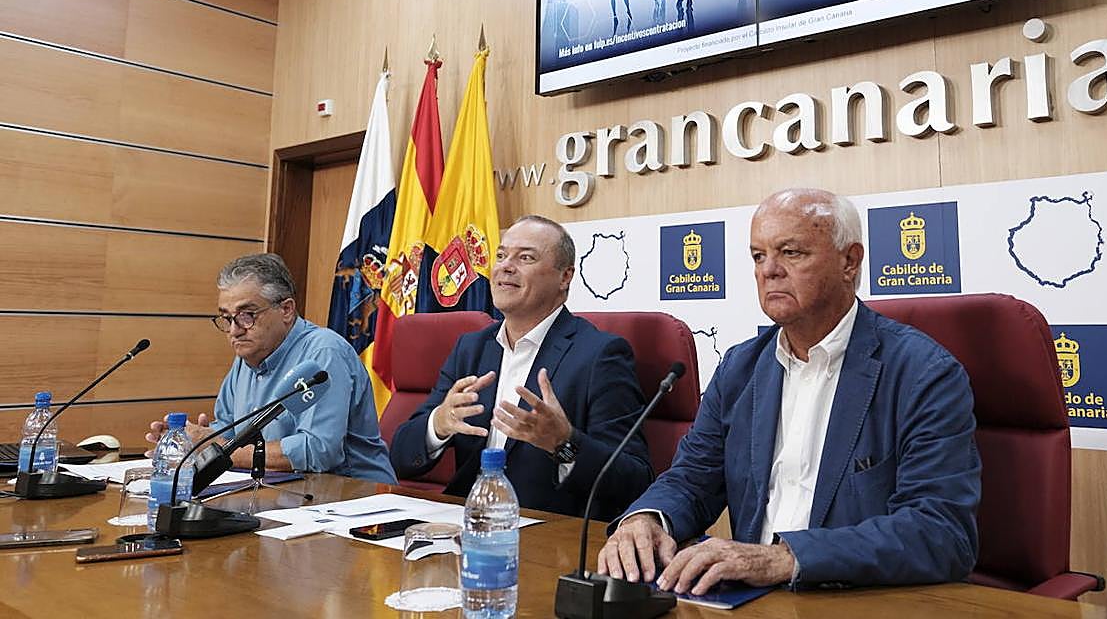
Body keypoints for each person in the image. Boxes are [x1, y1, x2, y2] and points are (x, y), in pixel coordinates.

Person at [598, 188, 980, 594]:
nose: (769, 271)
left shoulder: (923, 373)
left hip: (853, 598)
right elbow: (692, 479)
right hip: (750, 599)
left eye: (791, 253)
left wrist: (787, 557)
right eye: (758, 256)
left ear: (850, 261)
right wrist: (647, 519)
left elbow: (941, 532)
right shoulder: (740, 367)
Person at [389, 215, 653, 519]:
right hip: (463, 526)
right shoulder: (471, 349)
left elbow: (635, 480)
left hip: (548, 536)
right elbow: (401, 457)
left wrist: (563, 443)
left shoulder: (600, 355)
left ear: (565, 277)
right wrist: (439, 423)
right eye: (501, 255)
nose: (505, 266)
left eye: (525, 257)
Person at [145, 253, 396, 483]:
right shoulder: (248, 354)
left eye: (247, 315)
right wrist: (192, 439)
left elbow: (319, 451)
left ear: (286, 309)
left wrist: (216, 448)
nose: (234, 330)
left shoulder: (323, 353)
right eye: (226, 318)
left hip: (354, 499)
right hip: (282, 496)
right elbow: (230, 430)